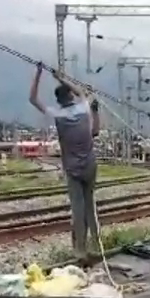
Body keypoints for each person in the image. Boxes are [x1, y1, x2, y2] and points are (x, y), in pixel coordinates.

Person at [28, 63, 101, 259]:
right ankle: (97, 244)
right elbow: (83, 93)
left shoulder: (58, 114)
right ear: (71, 96)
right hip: (90, 165)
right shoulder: (84, 108)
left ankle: (80, 250)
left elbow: (33, 99)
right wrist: (61, 78)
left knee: (78, 209)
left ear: (58, 101)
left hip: (72, 168)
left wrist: (38, 73)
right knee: (90, 206)